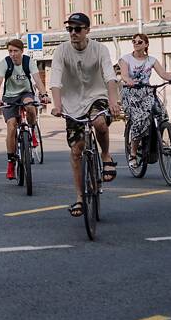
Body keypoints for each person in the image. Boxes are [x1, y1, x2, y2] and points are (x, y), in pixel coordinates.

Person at [49, 13, 121, 217]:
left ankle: (106, 156)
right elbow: (55, 80)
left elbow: (110, 77)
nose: (73, 33)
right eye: (69, 29)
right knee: (76, 150)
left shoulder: (100, 49)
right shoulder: (61, 51)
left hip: (97, 97)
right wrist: (57, 105)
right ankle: (79, 199)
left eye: (77, 29)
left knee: (99, 122)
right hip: (72, 104)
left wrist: (114, 102)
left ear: (87, 30)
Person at [118, 33, 171, 169]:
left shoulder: (151, 60)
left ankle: (157, 138)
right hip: (130, 93)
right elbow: (124, 74)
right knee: (140, 119)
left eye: (139, 42)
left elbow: (163, 74)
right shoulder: (126, 59)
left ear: (146, 44)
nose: (136, 43)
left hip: (147, 91)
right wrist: (129, 81)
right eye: (134, 41)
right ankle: (133, 153)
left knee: (161, 113)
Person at [0, 38, 48, 181]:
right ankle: (11, 163)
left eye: (15, 51)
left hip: (25, 93)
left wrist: (44, 94)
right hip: (9, 97)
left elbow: (37, 80)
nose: (12, 54)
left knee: (30, 106)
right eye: (10, 51)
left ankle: (32, 130)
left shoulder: (29, 62)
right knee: (11, 127)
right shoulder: (4, 63)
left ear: (22, 51)